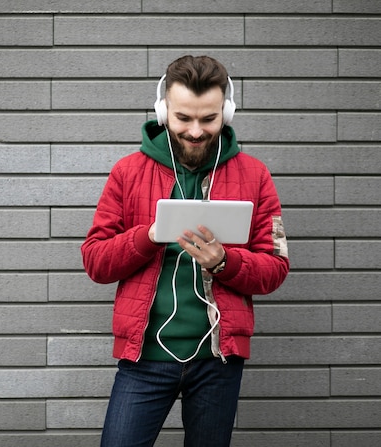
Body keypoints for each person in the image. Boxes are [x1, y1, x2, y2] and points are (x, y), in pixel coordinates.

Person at [81, 55, 290, 447]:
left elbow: (275, 267)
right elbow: (95, 260)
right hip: (143, 358)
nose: (195, 131)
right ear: (163, 112)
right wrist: (149, 235)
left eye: (208, 119)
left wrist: (226, 262)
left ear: (226, 113)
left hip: (218, 361)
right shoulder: (127, 172)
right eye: (183, 119)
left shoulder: (255, 175)